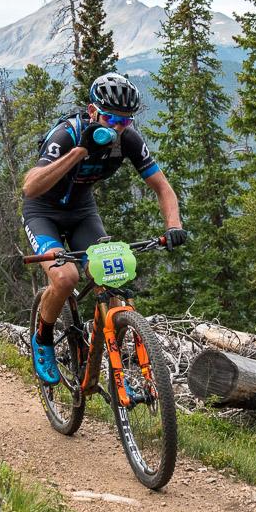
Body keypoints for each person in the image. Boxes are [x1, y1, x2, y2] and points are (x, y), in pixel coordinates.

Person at [21, 72, 187, 385]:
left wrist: (173, 225)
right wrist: (79, 151)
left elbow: (163, 188)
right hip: (43, 212)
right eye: (111, 118)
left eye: (126, 121)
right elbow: (31, 187)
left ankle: (104, 352)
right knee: (66, 276)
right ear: (93, 110)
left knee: (114, 280)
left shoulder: (129, 139)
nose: (117, 127)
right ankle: (42, 340)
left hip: (83, 213)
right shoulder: (68, 133)